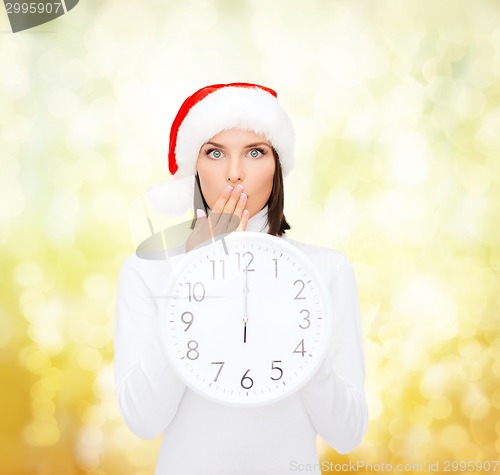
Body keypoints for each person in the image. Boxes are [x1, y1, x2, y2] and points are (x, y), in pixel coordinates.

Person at [114, 83, 368, 475]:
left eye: (254, 152)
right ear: (194, 168)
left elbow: (348, 433)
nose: (234, 174)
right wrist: (193, 278)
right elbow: (143, 420)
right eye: (215, 153)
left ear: (278, 164)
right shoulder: (149, 271)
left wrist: (304, 344)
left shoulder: (325, 271)